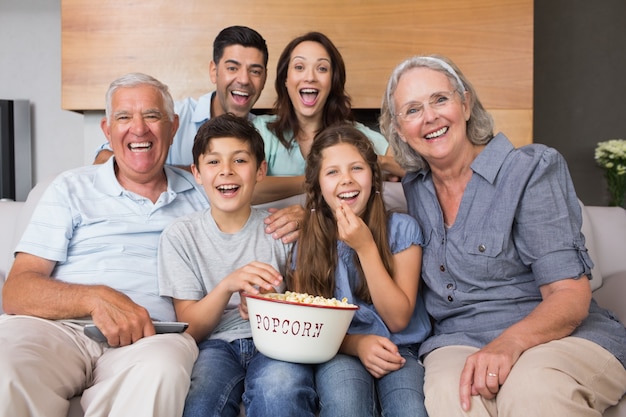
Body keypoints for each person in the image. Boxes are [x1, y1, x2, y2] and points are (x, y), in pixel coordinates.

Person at [380, 54, 626, 416]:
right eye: (413, 110)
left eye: (440, 99)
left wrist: (507, 344)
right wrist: (306, 210)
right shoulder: (416, 187)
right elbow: (345, 188)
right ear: (400, 130)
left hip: (557, 335)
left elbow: (569, 295)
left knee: (533, 389)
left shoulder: (530, 169)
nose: (430, 116)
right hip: (458, 339)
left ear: (465, 103)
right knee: (451, 398)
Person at [0, 73, 209, 417]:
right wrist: (94, 298)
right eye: (124, 117)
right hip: (59, 329)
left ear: (173, 126)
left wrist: (298, 211)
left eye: (152, 116)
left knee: (163, 369)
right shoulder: (70, 187)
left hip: (150, 336)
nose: (138, 129)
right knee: (6, 365)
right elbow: (16, 291)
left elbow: (247, 188)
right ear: (107, 130)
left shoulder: (204, 192)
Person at [157, 113, 317, 417]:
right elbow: (189, 327)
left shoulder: (280, 229)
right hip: (214, 346)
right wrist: (228, 285)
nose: (226, 171)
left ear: (260, 171)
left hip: (277, 342)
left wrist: (270, 305)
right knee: (201, 398)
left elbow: (308, 302)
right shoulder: (181, 235)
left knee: (281, 388)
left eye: (240, 161)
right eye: (214, 162)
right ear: (197, 173)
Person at [287, 124, 431, 417]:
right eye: (332, 172)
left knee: (410, 409)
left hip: (401, 347)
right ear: (316, 186)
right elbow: (308, 326)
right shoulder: (308, 244)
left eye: (356, 168)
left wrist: (365, 248)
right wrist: (357, 344)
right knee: (345, 404)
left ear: (373, 177)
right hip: (339, 347)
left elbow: (398, 319)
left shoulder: (402, 230)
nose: (346, 180)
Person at [252, 31, 406, 205]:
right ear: (285, 79)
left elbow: (411, 171)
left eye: (322, 69)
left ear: (333, 81)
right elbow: (245, 188)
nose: (310, 77)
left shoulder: (353, 133)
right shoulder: (261, 129)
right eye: (299, 67)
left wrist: (379, 161)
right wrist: (315, 180)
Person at [94, 25, 268, 169]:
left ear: (265, 78)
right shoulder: (167, 116)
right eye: (232, 68)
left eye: (255, 71)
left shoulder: (268, 133)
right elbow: (104, 158)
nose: (244, 80)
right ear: (214, 72)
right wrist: (186, 176)